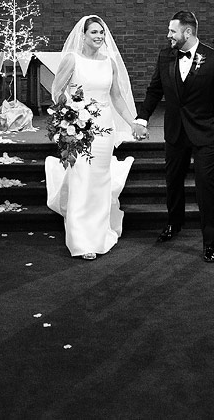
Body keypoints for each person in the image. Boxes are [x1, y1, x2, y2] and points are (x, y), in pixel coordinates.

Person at [136, 11, 214, 264]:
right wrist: (141, 119)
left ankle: (209, 241)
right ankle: (174, 224)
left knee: (205, 185)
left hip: (205, 132)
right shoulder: (165, 56)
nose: (168, 35)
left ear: (188, 32)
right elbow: (154, 90)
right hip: (175, 131)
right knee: (173, 181)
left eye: (172, 31)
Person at [44, 16, 138, 259]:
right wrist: (70, 114)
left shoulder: (109, 62)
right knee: (81, 179)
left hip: (104, 127)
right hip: (80, 128)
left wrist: (132, 123)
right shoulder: (72, 60)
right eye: (94, 32)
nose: (99, 36)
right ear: (83, 35)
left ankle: (98, 234)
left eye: (101, 32)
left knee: (99, 181)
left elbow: (117, 97)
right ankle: (81, 240)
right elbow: (57, 91)